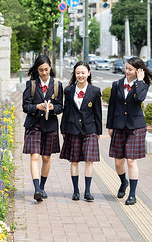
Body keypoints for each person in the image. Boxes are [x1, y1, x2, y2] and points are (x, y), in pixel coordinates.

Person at [106, 57, 152, 205]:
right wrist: (110, 126)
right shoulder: (117, 84)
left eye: (130, 69)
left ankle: (132, 195)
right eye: (126, 68)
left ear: (138, 71)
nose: (127, 71)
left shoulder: (143, 85)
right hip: (119, 126)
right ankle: (123, 182)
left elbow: (139, 98)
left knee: (131, 161)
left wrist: (140, 80)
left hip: (136, 126)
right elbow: (112, 107)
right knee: (118, 161)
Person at [22, 54, 63, 202]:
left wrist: (53, 108)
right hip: (34, 124)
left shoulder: (57, 85)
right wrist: (36, 107)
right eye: (41, 70)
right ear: (37, 70)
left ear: (50, 68)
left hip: (50, 125)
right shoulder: (31, 84)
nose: (44, 73)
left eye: (46, 69)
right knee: (34, 156)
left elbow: (60, 107)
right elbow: (25, 106)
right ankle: (37, 189)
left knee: (46, 157)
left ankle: (43, 186)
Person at [60, 61, 102, 202]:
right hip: (72, 129)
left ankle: (88, 191)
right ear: (75, 74)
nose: (80, 75)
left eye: (83, 72)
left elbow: (98, 113)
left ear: (88, 73)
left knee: (89, 160)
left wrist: (98, 132)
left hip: (90, 129)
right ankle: (76, 191)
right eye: (78, 73)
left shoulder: (95, 91)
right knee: (74, 161)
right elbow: (66, 111)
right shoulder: (69, 90)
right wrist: (63, 129)